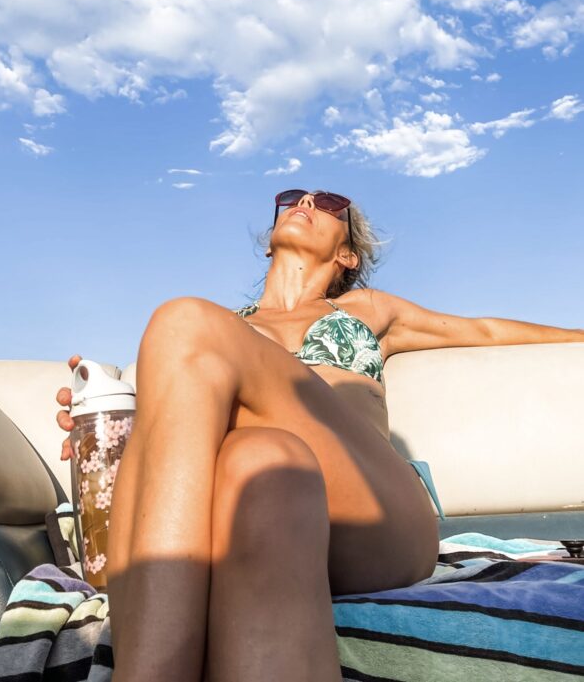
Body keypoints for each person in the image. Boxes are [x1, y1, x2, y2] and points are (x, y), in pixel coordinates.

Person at [54, 189, 582, 682]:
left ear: (348, 255)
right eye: (290, 199)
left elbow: (485, 332)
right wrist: (118, 441)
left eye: (327, 203)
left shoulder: (366, 310)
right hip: (261, 496)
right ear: (268, 242)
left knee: (181, 323)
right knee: (260, 462)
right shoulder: (222, 334)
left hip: (372, 513)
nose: (305, 201)